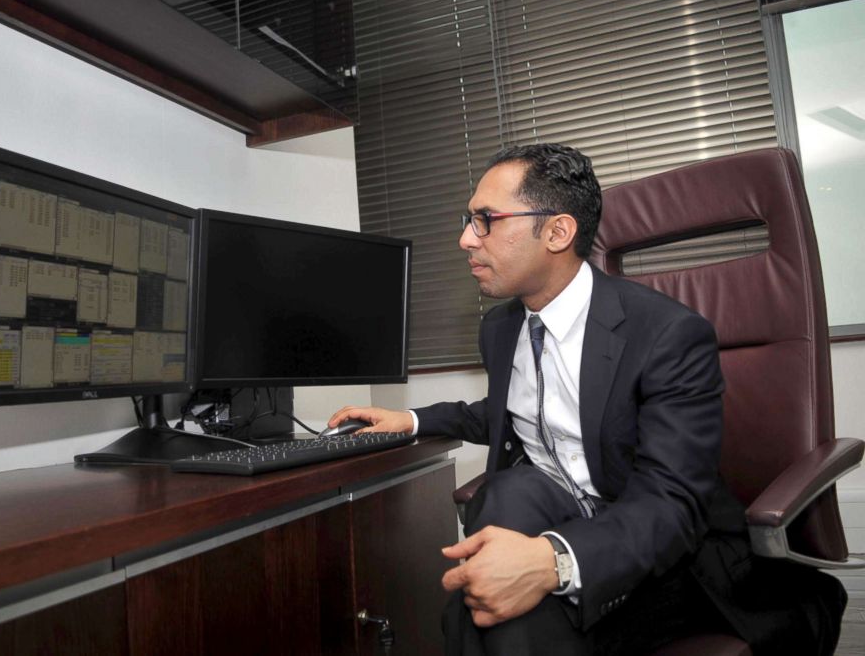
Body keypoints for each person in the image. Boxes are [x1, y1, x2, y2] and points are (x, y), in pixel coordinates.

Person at [328, 144, 846, 655]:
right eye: (468, 219)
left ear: (557, 231)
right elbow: (512, 411)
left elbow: (672, 504)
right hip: (566, 512)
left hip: (669, 552)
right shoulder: (501, 328)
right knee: (508, 502)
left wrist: (554, 560)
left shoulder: (669, 333)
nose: (465, 238)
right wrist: (412, 419)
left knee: (487, 613)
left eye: (485, 219)